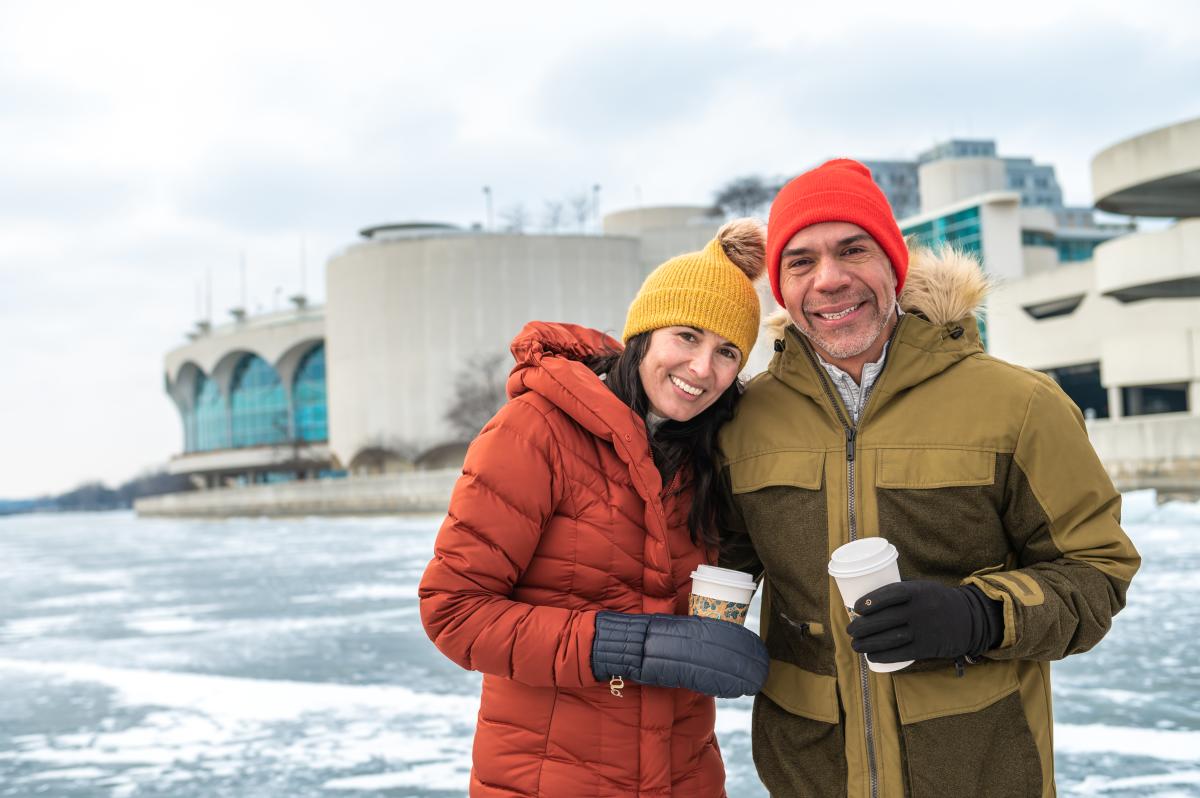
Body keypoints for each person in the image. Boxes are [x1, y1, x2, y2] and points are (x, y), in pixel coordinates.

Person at [718, 159, 1141, 798]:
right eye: (801, 262)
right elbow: (706, 565)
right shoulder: (740, 419)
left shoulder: (1020, 406)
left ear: (894, 263)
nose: (829, 279)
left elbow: (1097, 573)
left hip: (982, 768)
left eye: (852, 250)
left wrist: (979, 615)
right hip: (810, 771)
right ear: (780, 286)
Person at [419, 220, 771, 798]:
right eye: (686, 336)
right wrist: (626, 646)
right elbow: (454, 613)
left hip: (682, 778)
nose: (702, 368)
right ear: (644, 335)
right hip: (547, 779)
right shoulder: (536, 430)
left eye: (726, 351)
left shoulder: (707, 457)